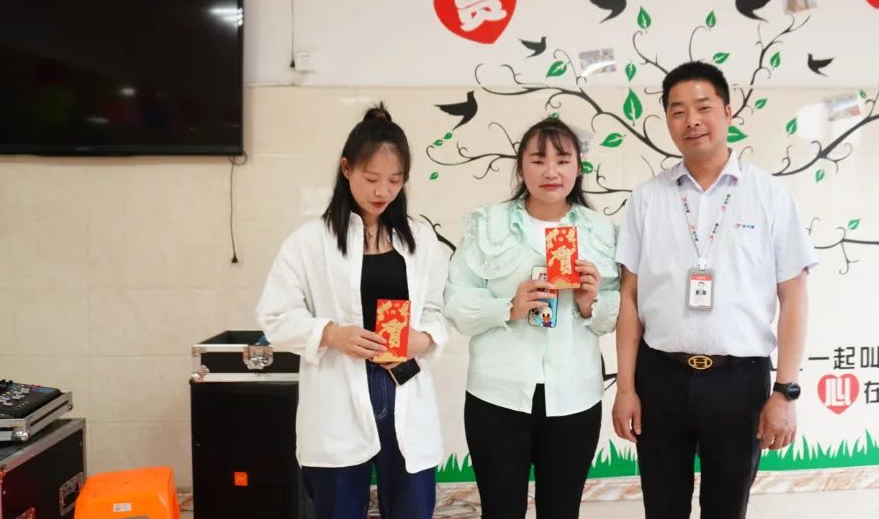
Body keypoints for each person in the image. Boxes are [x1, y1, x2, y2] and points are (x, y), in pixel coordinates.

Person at [611, 61, 818, 519]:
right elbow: (629, 297)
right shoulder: (648, 198)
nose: (692, 120)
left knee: (727, 507)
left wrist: (785, 391)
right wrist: (625, 387)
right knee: (662, 508)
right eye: (677, 111)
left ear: (727, 111)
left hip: (739, 382)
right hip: (660, 378)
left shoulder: (769, 195)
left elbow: (795, 295)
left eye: (703, 107)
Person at [257, 104, 448, 519]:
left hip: (403, 388)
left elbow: (435, 309)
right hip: (337, 393)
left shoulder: (420, 239)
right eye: (372, 179)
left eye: (394, 180)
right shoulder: (309, 242)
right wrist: (331, 334)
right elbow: (274, 316)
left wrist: (422, 339)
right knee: (338, 507)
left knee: (413, 508)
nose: (383, 191)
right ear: (346, 169)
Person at [444, 117, 620, 518]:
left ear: (579, 167)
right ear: (521, 167)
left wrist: (590, 302)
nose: (551, 171)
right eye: (538, 160)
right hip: (497, 395)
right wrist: (508, 307)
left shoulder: (600, 231)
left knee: (562, 509)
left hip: (575, 395)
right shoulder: (488, 223)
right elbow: (455, 301)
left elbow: (616, 313)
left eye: (563, 160)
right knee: (500, 510)